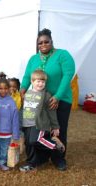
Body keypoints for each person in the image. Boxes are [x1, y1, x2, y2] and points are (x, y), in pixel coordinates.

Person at [20, 28, 75, 171]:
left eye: (46, 42)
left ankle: (58, 158)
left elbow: (68, 75)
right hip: (37, 100)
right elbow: (27, 76)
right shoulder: (33, 58)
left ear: (51, 41)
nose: (43, 44)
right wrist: (22, 89)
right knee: (36, 130)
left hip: (60, 99)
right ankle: (37, 158)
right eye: (40, 43)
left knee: (58, 129)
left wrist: (57, 96)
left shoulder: (63, 55)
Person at [19, 70, 65, 172]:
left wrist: (55, 126)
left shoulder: (46, 95)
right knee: (29, 144)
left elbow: (51, 111)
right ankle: (31, 163)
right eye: (38, 81)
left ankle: (54, 145)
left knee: (35, 140)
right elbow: (23, 107)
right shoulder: (27, 93)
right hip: (27, 123)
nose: (40, 84)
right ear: (32, 81)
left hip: (39, 124)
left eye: (43, 82)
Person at [0, 78, 19, 171]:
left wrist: (15, 134)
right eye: (1, 88)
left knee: (4, 149)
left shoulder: (11, 101)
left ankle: (2, 163)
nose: (3, 90)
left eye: (5, 88)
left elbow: (15, 118)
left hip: (7, 132)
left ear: (9, 88)